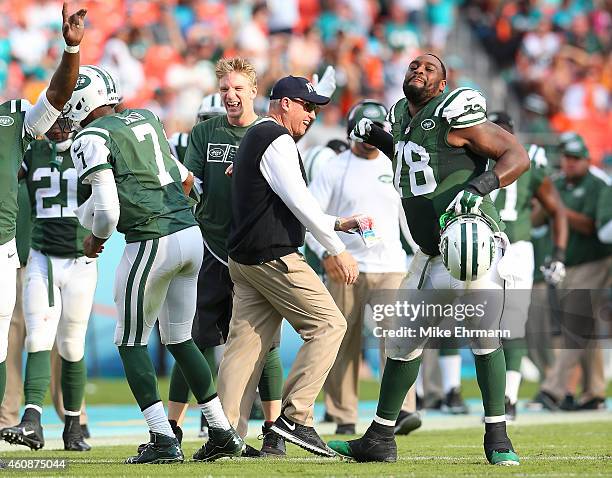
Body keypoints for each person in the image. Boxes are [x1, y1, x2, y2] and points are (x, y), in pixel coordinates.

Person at [328, 53, 529, 465]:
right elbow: (410, 158)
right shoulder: (401, 113)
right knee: (401, 343)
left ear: (442, 85)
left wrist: (480, 186)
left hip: (466, 239)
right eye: (414, 66)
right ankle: (380, 438)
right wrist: (378, 138)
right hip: (429, 250)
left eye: (429, 68)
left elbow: (516, 155)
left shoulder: (455, 111)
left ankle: (498, 438)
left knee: (483, 334)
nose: (418, 70)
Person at [64, 65, 243, 464]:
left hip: (150, 240)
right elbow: (184, 178)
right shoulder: (145, 116)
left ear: (81, 101)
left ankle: (163, 438)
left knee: (128, 342)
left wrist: (96, 237)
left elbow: (108, 211)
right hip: (189, 234)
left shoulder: (92, 135)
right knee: (180, 338)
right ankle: (222, 431)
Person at [216, 75, 361, 457]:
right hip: (272, 257)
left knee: (244, 350)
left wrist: (336, 223)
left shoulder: (257, 135)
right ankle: (294, 419)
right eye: (307, 106)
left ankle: (224, 434)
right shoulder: (276, 139)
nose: (312, 115)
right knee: (330, 324)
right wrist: (335, 248)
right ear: (285, 103)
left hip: (244, 260)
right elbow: (298, 199)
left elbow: (282, 199)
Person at [169, 58, 285, 457]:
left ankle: (274, 429)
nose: (231, 96)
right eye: (225, 89)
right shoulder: (205, 131)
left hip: (255, 253)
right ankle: (170, 430)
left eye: (238, 88)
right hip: (211, 248)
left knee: (265, 345)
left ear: (253, 91)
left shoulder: (269, 132)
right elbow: (194, 184)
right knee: (191, 339)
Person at [306, 100, 421, 436]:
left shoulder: (395, 165)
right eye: (364, 131)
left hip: (390, 265)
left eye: (376, 131)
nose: (369, 138)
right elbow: (311, 218)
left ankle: (402, 409)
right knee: (343, 342)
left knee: (399, 340)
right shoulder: (333, 168)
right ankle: (343, 415)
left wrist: (421, 253)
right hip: (347, 265)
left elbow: (408, 216)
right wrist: (328, 252)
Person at [0, 1, 86, 427]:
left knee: (58, 341)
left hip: (46, 252)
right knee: (30, 335)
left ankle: (69, 419)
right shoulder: (20, 134)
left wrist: (71, 50)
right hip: (31, 251)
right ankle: (26, 417)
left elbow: (56, 96)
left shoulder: (18, 119)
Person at [1, 118, 96, 452]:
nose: (58, 126)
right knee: (37, 337)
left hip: (80, 260)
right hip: (41, 256)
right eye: (53, 119)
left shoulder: (91, 148)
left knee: (71, 345)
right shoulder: (34, 151)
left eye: (64, 119)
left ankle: (73, 425)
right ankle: (32, 420)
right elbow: (7, 180)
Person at [487, 111, 568, 420]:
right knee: (493, 323)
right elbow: (556, 210)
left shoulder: (481, 155)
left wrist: (559, 253)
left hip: (512, 247)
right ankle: (503, 397)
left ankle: (507, 397)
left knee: (509, 323)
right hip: (500, 245)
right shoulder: (523, 158)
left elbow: (555, 209)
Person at [536, 134, 611, 411]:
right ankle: (594, 393)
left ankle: (553, 389)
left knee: (575, 326)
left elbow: (593, 227)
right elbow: (536, 220)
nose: (570, 163)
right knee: (585, 329)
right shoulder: (554, 183)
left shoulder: (598, 185)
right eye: (567, 157)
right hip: (566, 265)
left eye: (576, 159)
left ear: (586, 160)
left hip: (594, 262)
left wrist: (558, 211)